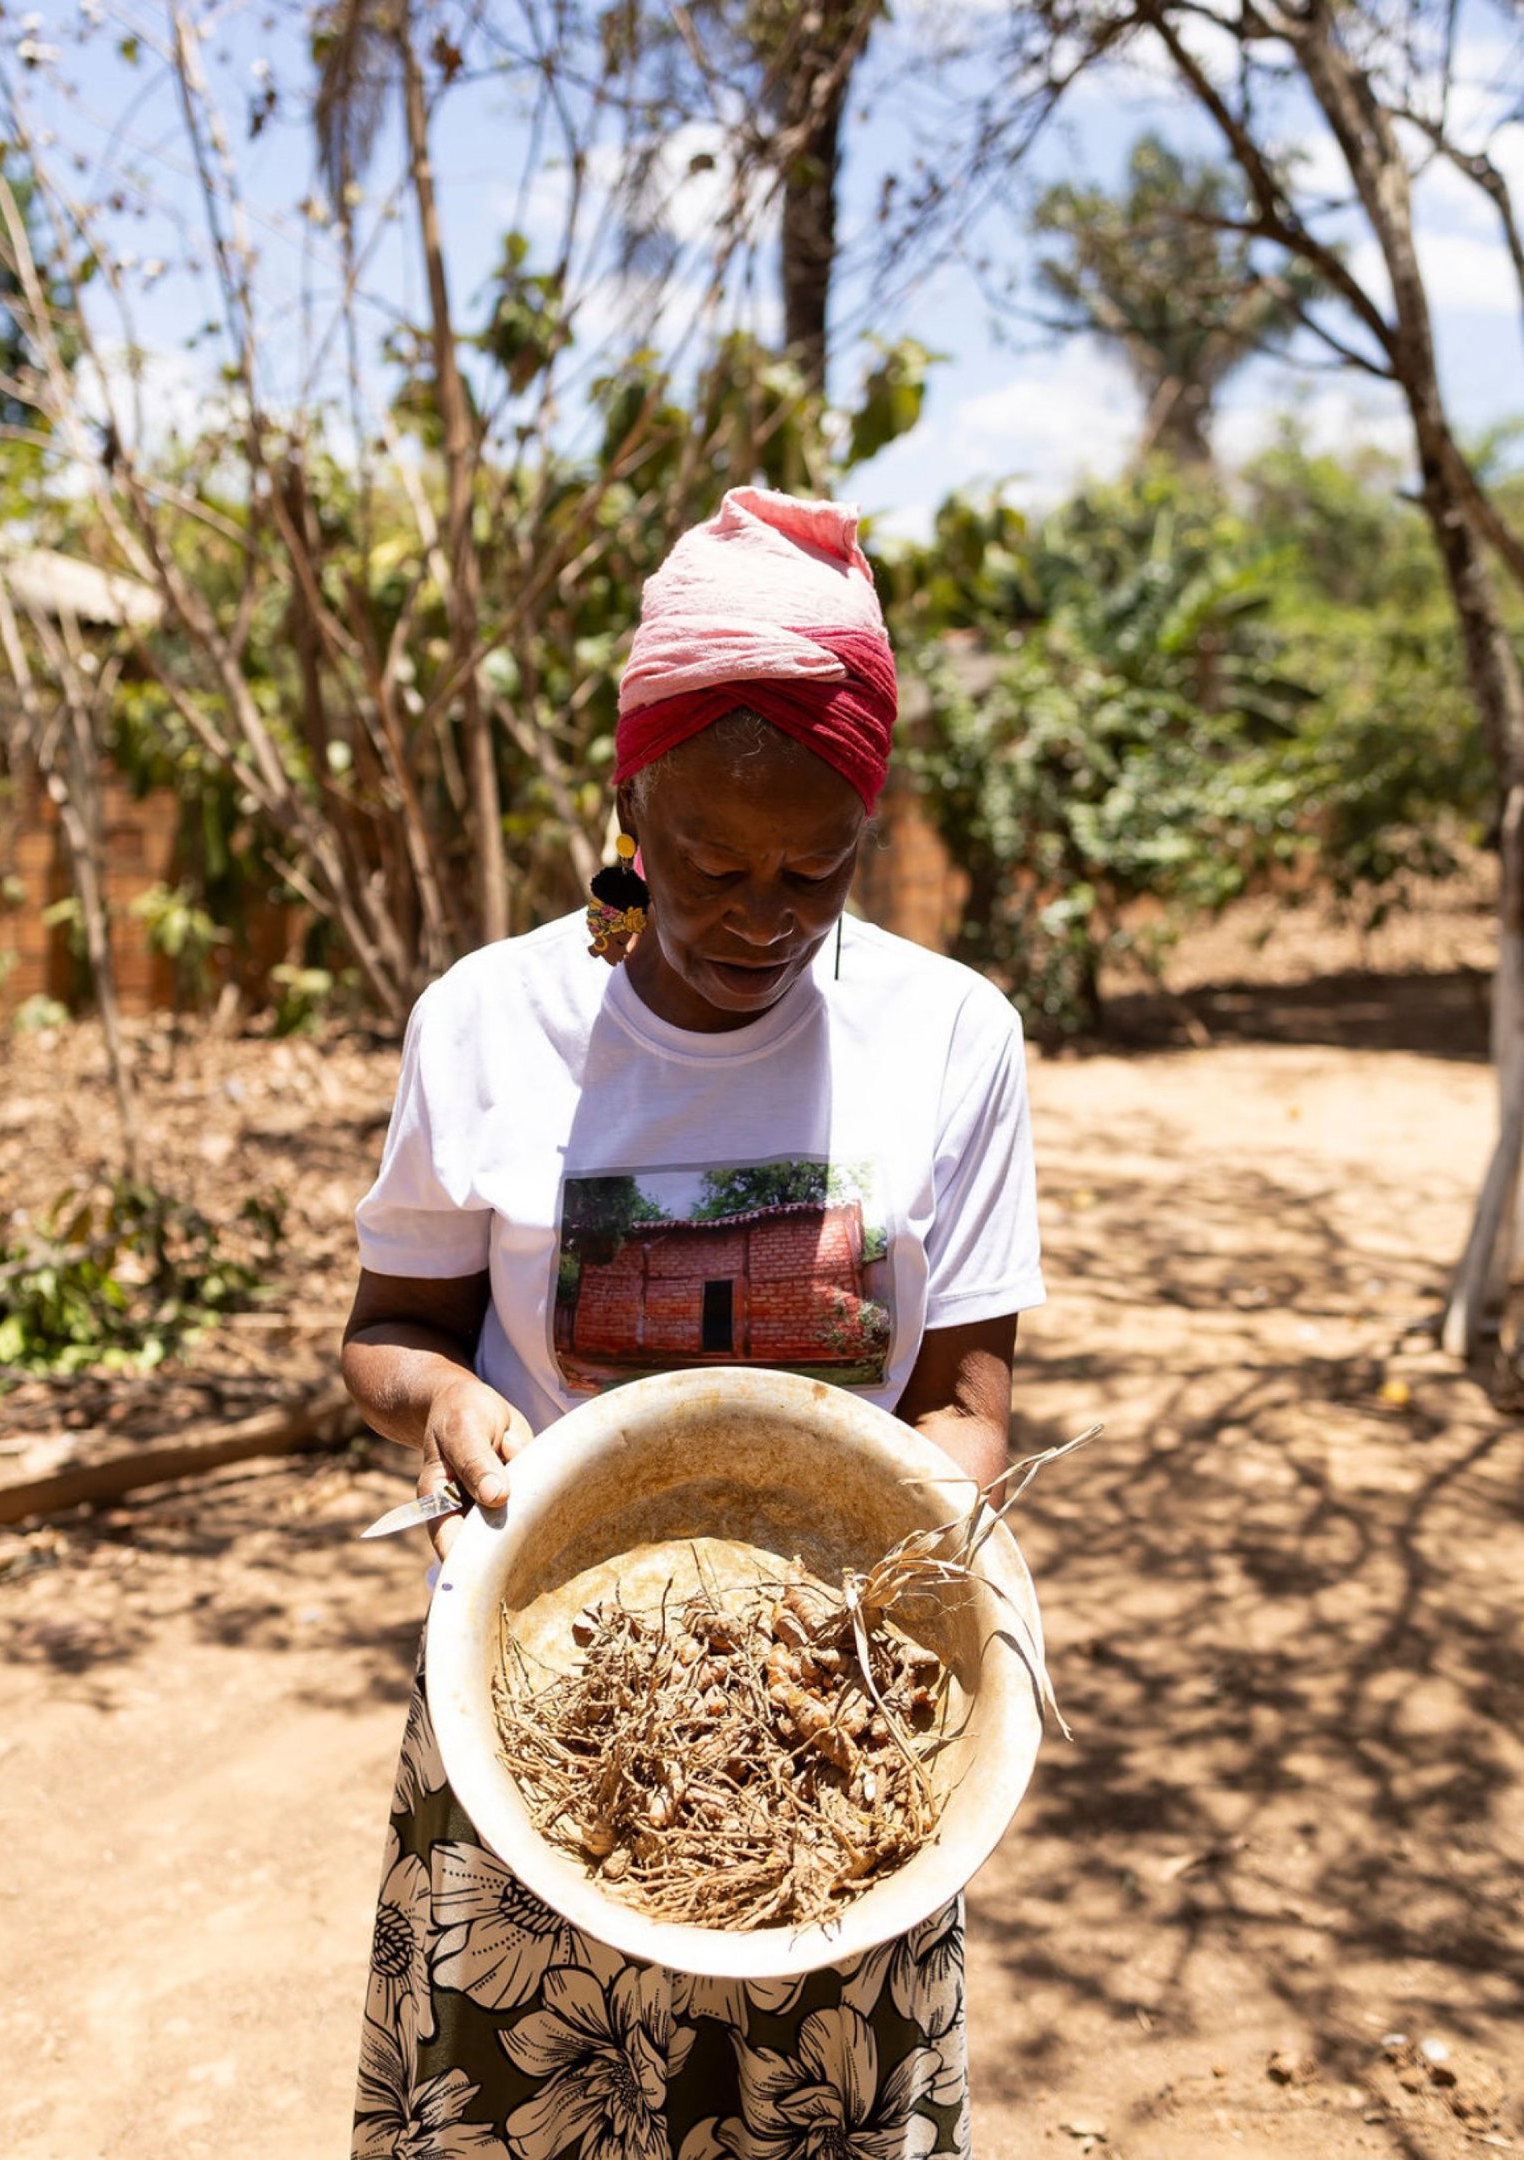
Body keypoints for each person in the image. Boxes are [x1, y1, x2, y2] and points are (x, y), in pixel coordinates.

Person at [342, 486, 1045, 2159]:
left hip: (836, 1712)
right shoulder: (490, 1025)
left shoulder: (950, 1037)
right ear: (625, 808)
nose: (759, 915)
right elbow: (391, 1327)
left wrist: (902, 1569)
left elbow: (967, 1401)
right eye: (706, 863)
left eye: (818, 865)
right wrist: (441, 1410)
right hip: (549, 1697)